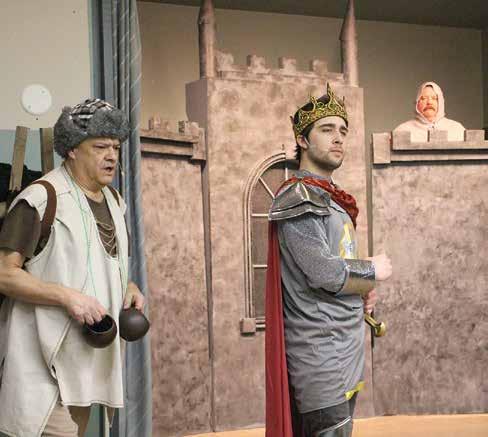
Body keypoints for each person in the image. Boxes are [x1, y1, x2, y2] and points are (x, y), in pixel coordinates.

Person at [0, 98, 145, 437]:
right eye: (100, 147)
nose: (112, 156)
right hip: (41, 364)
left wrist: (128, 286)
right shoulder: (41, 199)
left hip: (85, 366)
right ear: (72, 150)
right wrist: (67, 297)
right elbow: (5, 274)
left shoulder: (115, 202)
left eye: (115, 147)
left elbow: (101, 262)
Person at [265, 84, 392, 437]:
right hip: (320, 355)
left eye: (343, 131)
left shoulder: (331, 199)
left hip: (344, 350)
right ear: (302, 140)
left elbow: (337, 264)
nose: (338, 138)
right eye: (326, 129)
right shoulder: (299, 196)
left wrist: (362, 287)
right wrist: (372, 269)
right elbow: (322, 271)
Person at [393, 81, 465, 142]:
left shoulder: (457, 129)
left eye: (434, 98)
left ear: (441, 102)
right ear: (417, 103)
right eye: (424, 98)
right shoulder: (402, 130)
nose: (429, 102)